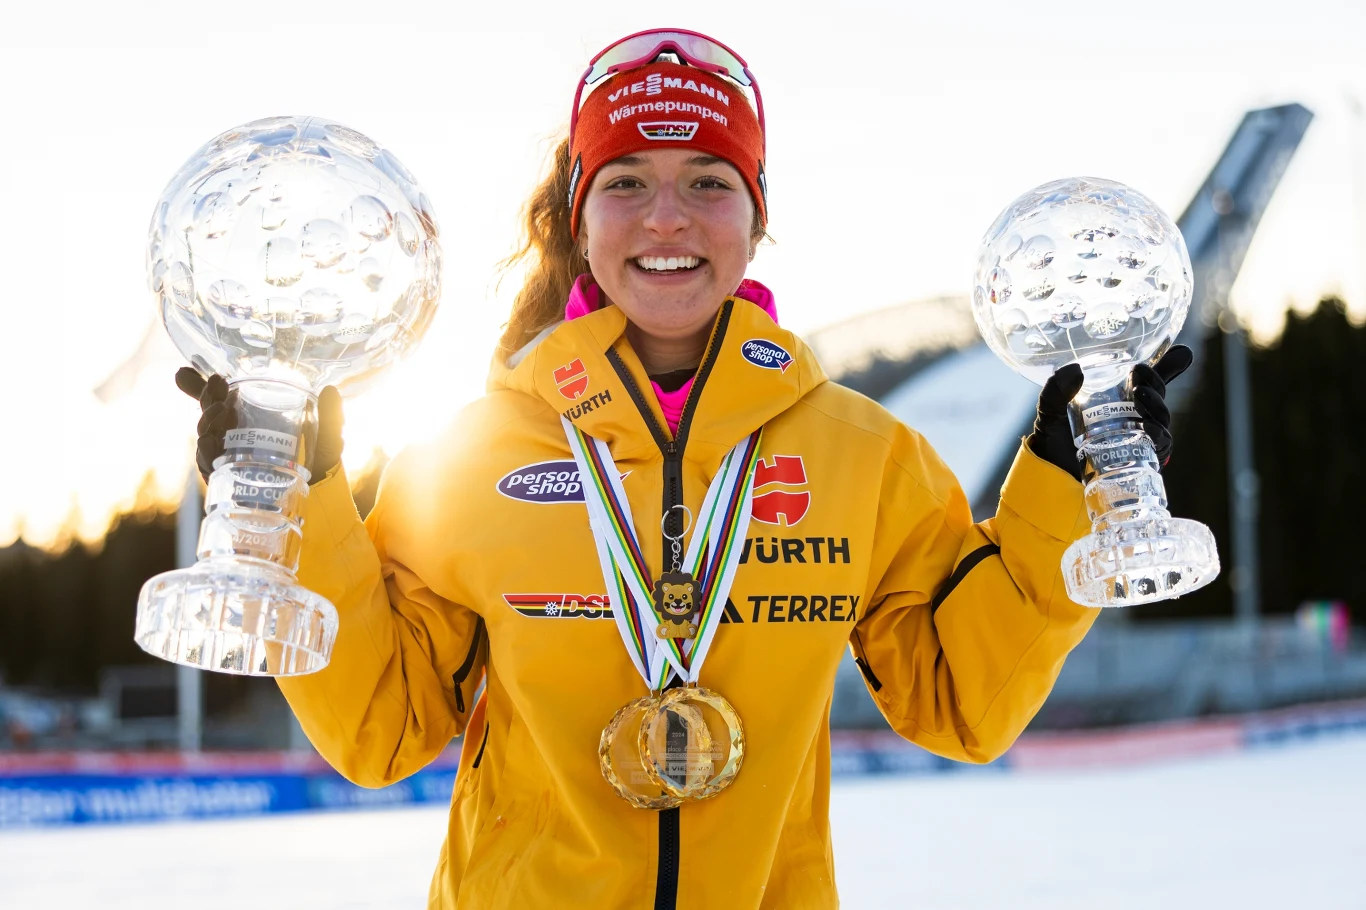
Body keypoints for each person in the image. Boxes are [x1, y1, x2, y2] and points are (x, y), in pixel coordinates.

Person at [179, 28, 1192, 910]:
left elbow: (965, 700)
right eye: (626, 183)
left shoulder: (863, 453)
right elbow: (381, 729)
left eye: (709, 181)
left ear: (756, 218)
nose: (667, 218)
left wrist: (1066, 478)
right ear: (579, 218)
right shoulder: (470, 457)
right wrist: (300, 494)